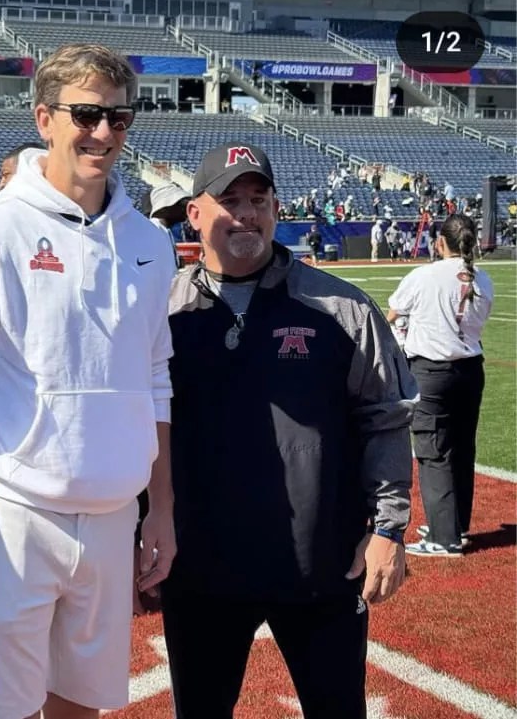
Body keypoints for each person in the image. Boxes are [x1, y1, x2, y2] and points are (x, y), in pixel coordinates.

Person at [0, 43, 177, 719]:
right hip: (12, 507)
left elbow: (155, 379)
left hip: (114, 511)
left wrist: (163, 508)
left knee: (83, 705)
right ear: (44, 118)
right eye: (86, 115)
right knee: (2, 708)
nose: (103, 133)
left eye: (119, 119)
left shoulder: (150, 242)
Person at [161, 142, 416, 719]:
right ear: (194, 213)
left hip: (320, 564)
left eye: (259, 199)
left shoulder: (342, 308)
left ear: (277, 209)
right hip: (200, 566)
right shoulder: (160, 311)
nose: (246, 214)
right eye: (229, 200)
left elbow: (386, 420)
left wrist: (388, 528)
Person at [387, 214, 494, 557]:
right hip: (470, 368)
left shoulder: (424, 275)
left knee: (434, 451)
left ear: (440, 242)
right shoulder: (483, 279)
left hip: (432, 370)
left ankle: (444, 537)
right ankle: (455, 524)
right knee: (462, 447)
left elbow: (393, 313)